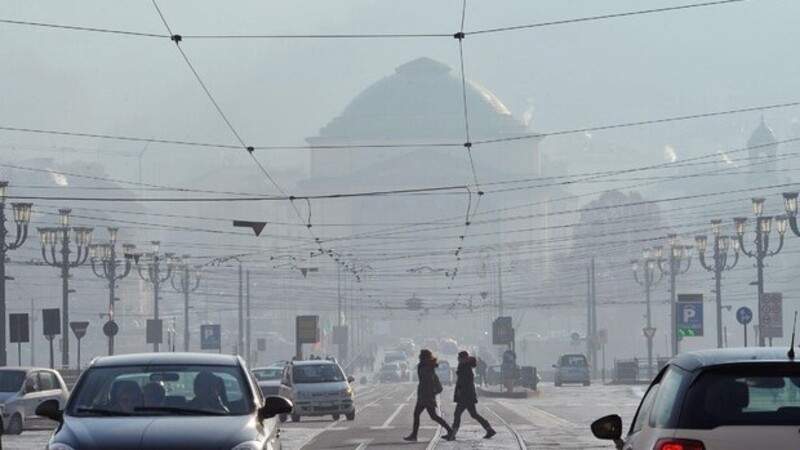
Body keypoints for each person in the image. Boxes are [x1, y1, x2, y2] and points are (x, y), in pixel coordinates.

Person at [403, 349, 455, 442]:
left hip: (426, 397)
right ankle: (450, 431)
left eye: (421, 356)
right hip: (424, 396)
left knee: (424, 415)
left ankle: (414, 435)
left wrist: (431, 396)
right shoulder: (426, 367)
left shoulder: (426, 369)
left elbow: (429, 383)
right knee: (432, 416)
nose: (419, 357)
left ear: (425, 357)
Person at [450, 351, 496, 440]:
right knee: (473, 414)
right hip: (467, 396)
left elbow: (463, 383)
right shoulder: (465, 367)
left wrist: (460, 394)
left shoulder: (465, 368)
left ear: (463, 359)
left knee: (458, 414)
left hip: (465, 396)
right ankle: (489, 429)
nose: (458, 359)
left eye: (459, 358)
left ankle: (453, 433)